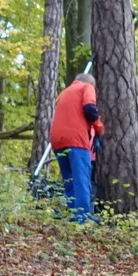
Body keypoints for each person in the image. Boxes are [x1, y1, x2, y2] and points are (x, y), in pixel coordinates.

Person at [50, 71, 103, 222]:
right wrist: (99, 128)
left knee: (69, 181)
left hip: (58, 140)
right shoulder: (86, 87)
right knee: (81, 180)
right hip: (76, 140)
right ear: (90, 83)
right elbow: (90, 109)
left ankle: (74, 217)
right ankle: (82, 219)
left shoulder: (64, 93)